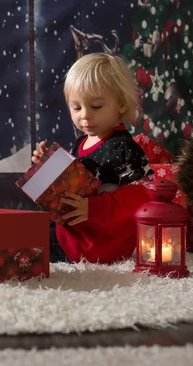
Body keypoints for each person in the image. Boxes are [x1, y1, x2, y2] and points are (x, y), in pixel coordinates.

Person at [33, 52, 153, 264]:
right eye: (76, 107)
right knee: (21, 227)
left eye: (96, 106)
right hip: (73, 232)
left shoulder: (123, 147)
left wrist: (94, 208)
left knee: (25, 243)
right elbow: (73, 183)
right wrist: (47, 167)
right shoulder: (81, 143)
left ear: (121, 105)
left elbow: (143, 197)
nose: (85, 115)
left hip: (93, 245)